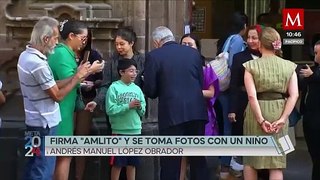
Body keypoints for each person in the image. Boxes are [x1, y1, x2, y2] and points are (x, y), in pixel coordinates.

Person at [17, 16, 89, 180]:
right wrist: (77, 77)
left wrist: (76, 77)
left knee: (31, 163)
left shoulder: (25, 56)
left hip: (32, 123)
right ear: (45, 38)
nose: (57, 42)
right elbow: (57, 95)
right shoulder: (39, 64)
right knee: (43, 170)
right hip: (45, 127)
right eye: (55, 38)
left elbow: (50, 84)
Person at [144, 26, 209, 180]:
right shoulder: (193, 54)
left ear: (156, 42)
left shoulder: (154, 56)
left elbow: (151, 91)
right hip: (196, 111)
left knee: (170, 161)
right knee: (198, 159)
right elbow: (200, 82)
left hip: (171, 113)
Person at [48, 19, 104, 180]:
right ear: (71, 36)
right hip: (61, 114)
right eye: (83, 38)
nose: (84, 42)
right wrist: (88, 71)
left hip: (64, 112)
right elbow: (70, 81)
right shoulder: (62, 54)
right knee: (63, 157)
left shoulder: (63, 53)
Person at [242, 27, 299, 180]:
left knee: (250, 160)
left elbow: (252, 96)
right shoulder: (290, 66)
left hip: (256, 113)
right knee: (277, 162)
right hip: (280, 111)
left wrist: (261, 120)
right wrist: (282, 119)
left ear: (260, 43)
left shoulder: (250, 66)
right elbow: (294, 95)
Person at [85, 27, 145, 134]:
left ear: (131, 43)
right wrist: (96, 101)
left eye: (122, 44)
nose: (118, 47)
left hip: (134, 116)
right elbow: (105, 86)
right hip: (115, 115)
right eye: (116, 44)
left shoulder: (142, 60)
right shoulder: (112, 62)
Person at [179, 33, 219, 180]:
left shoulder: (206, 69)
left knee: (197, 153)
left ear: (197, 48)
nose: (187, 48)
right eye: (184, 45)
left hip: (201, 114)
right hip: (181, 114)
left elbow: (211, 93)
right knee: (181, 151)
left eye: (190, 45)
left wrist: (192, 92)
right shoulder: (176, 69)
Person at [216, 11, 248, 179]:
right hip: (229, 90)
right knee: (229, 128)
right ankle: (225, 167)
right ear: (243, 26)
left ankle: (226, 163)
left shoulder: (227, 39)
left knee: (226, 128)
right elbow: (233, 63)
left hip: (223, 90)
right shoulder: (236, 39)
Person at [106, 59, 146, 180]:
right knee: (117, 164)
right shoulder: (114, 88)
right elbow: (110, 109)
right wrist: (127, 106)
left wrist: (139, 107)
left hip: (135, 131)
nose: (134, 74)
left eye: (135, 71)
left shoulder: (137, 89)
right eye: (131, 71)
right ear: (122, 72)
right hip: (119, 132)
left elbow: (143, 111)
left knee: (132, 164)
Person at [74, 29, 103, 180]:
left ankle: (79, 175)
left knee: (81, 138)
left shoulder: (93, 55)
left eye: (86, 38)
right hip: (68, 99)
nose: (83, 41)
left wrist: (93, 84)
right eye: (81, 37)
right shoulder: (66, 54)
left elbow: (102, 79)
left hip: (85, 100)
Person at [299, 40, 320, 180]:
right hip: (310, 117)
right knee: (315, 155)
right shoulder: (315, 69)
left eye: (317, 53)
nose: (315, 56)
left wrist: (312, 77)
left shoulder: (314, 73)